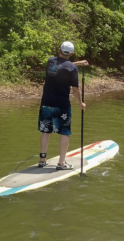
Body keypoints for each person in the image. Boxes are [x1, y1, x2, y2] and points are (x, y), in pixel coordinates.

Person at [38, 41, 89, 170]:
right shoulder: (72, 68)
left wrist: (78, 63)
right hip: (62, 105)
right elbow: (75, 89)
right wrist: (80, 103)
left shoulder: (51, 61)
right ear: (71, 53)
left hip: (46, 103)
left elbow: (61, 65)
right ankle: (61, 163)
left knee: (45, 131)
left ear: (59, 49)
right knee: (64, 132)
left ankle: (42, 160)